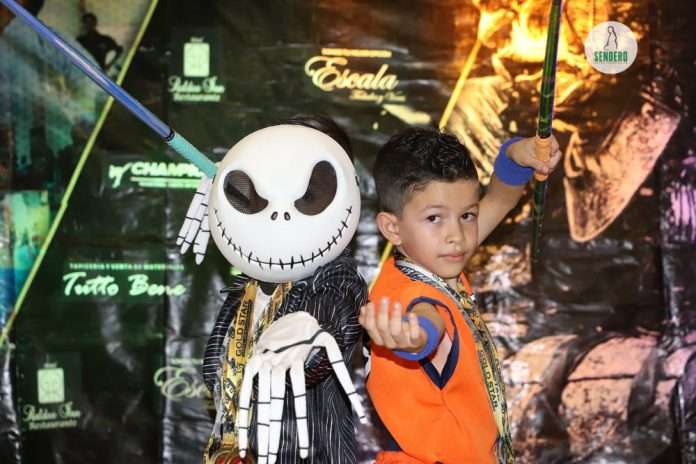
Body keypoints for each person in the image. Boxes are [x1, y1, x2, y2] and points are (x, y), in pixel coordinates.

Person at [359, 128, 560, 463]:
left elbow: (500, 198)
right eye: (434, 218)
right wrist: (412, 337)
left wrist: (515, 154)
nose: (457, 235)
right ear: (392, 228)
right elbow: (427, 322)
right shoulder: (411, 292)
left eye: (467, 215)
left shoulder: (437, 260)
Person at [195, 114, 367, 464]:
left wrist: (312, 332)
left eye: (309, 191)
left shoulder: (334, 280)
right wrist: (228, 192)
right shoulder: (247, 285)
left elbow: (331, 324)